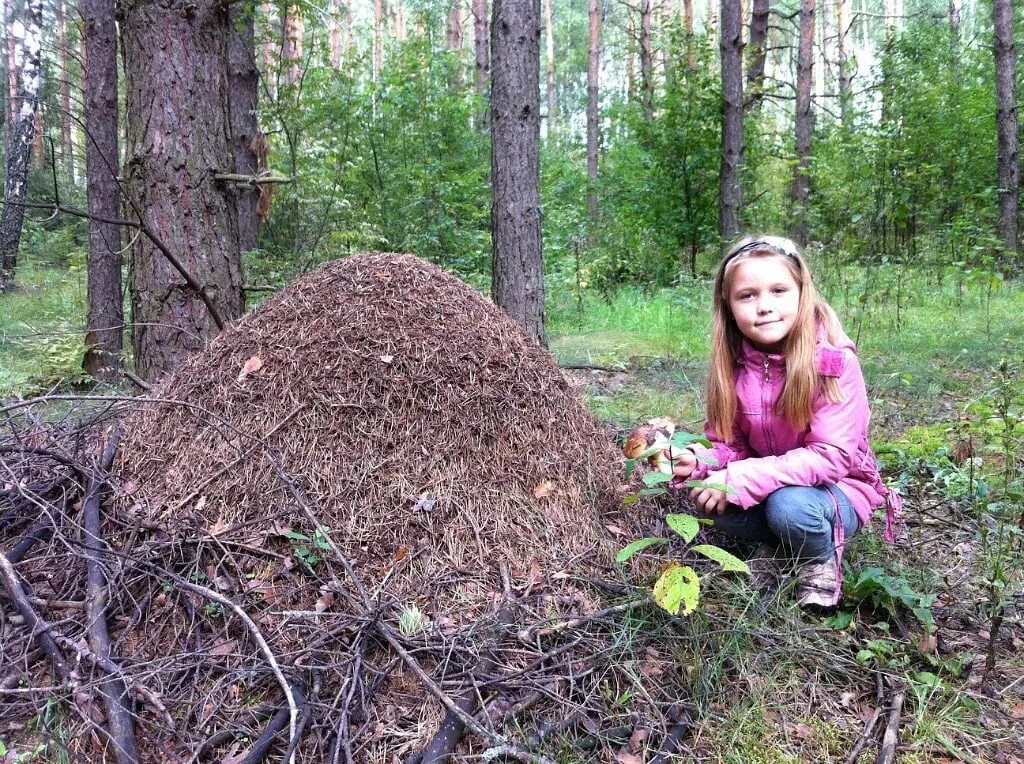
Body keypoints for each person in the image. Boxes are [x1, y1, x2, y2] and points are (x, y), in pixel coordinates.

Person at [668, 235, 901, 609]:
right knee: (712, 503)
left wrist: (741, 478)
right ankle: (778, 547)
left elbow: (831, 457)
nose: (764, 307)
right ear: (728, 306)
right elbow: (734, 447)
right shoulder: (733, 367)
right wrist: (702, 462)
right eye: (747, 296)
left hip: (836, 491)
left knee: (789, 507)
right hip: (773, 483)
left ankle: (818, 559)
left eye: (778, 291)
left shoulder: (833, 365)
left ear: (801, 293)